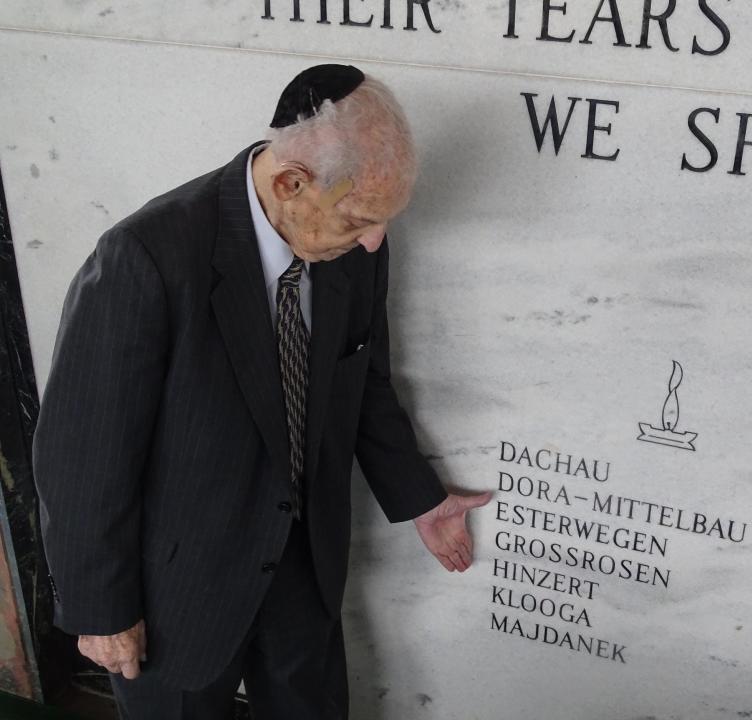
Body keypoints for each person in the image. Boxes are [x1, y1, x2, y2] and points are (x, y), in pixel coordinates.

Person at [32, 64, 490, 719]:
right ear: (291, 183)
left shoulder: (354, 248)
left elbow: (363, 381)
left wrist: (421, 496)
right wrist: (102, 609)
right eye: (361, 217)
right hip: (177, 595)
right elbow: (82, 454)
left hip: (302, 570)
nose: (374, 240)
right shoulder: (147, 259)